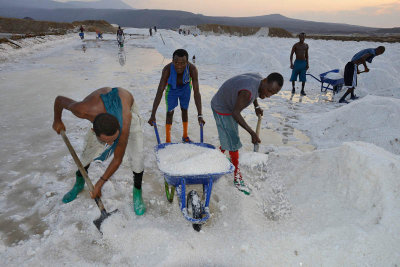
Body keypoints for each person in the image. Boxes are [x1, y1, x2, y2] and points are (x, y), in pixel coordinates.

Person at [52, 87, 146, 215]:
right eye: (106, 141)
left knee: (137, 157)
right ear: (93, 130)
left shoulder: (125, 122)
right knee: (87, 153)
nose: (111, 144)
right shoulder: (82, 110)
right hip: (100, 111)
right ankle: (79, 183)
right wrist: (57, 120)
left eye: (113, 139)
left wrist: (100, 183)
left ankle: (137, 192)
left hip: (126, 108)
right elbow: (60, 100)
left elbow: (117, 159)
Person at [211, 73, 283, 194]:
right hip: (222, 107)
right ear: (265, 81)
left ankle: (216, 156)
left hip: (229, 104)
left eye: (273, 93)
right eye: (269, 91)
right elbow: (236, 113)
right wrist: (252, 133)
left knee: (229, 136)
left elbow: (254, 91)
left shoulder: (258, 80)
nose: (269, 95)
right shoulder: (247, 92)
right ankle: (237, 178)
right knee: (233, 142)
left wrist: (256, 107)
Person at [148, 49, 204, 143]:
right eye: (176, 62)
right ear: (172, 61)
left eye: (183, 63)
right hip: (171, 88)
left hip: (186, 87)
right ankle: (168, 140)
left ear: (187, 62)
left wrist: (200, 115)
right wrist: (153, 114)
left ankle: (185, 136)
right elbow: (160, 91)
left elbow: (197, 92)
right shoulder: (167, 69)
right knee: (170, 112)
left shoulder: (192, 69)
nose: (179, 66)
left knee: (184, 109)